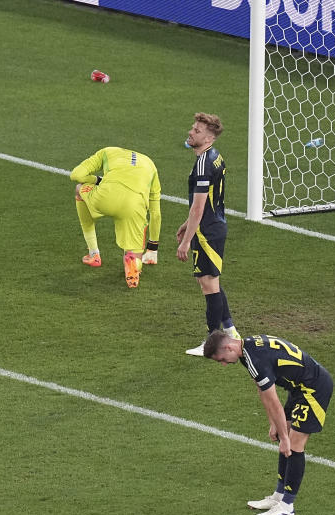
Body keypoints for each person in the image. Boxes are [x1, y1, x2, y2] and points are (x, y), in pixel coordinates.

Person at [203, 330, 333, 515]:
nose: (223, 364)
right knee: (284, 437)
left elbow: (274, 402)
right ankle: (279, 496)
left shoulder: (255, 358)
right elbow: (262, 391)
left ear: (229, 347)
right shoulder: (247, 350)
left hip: (314, 388)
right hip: (298, 388)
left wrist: (285, 437)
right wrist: (274, 425)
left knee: (294, 445)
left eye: (221, 359)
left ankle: (287, 506)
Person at [177, 113, 239, 355]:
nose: (191, 132)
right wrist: (187, 223)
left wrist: (186, 240)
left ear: (209, 137)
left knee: (208, 284)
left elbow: (200, 206)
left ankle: (212, 342)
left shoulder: (204, 163)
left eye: (198, 130)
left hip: (207, 230)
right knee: (209, 280)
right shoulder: (215, 157)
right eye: (193, 128)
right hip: (212, 225)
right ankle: (230, 331)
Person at [70, 147, 162, 288]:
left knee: (78, 189)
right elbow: (156, 213)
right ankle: (133, 266)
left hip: (105, 197)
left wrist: (97, 180)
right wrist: (152, 248)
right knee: (133, 249)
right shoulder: (150, 164)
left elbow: (76, 175)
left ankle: (93, 254)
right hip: (133, 207)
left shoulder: (106, 152)